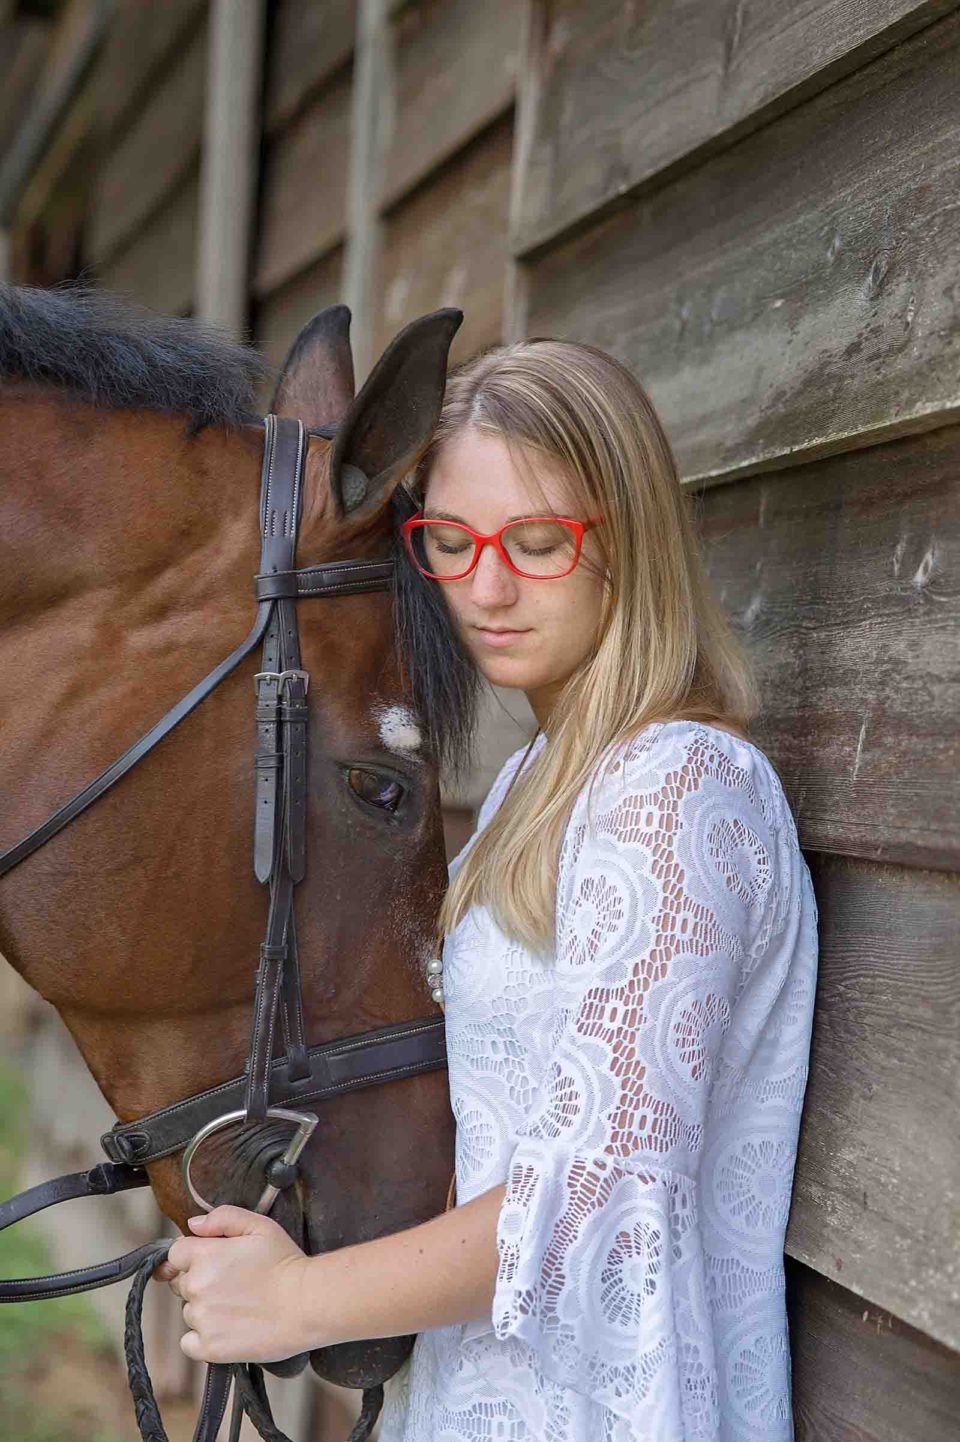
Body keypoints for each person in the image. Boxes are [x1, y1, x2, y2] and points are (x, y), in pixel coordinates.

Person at [158, 337, 819, 1442]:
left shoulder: (682, 787)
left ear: (632, 539)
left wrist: (297, 1302)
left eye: (540, 542)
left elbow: (601, 1204)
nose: (488, 588)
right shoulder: (530, 785)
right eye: (452, 543)